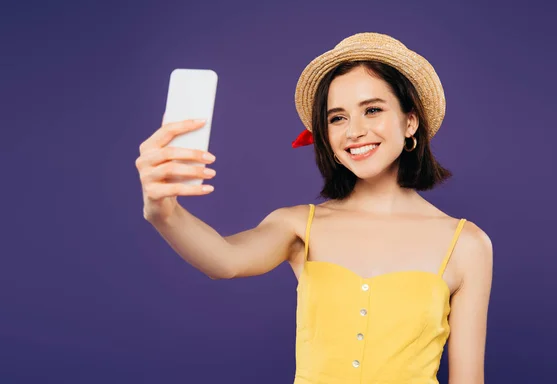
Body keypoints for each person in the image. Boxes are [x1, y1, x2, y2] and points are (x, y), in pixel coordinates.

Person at [135, 32, 493, 384]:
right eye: (338, 117)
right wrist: (163, 212)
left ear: (410, 121)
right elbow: (224, 261)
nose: (354, 131)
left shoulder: (467, 244)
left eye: (372, 110)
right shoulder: (298, 226)